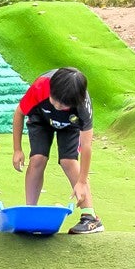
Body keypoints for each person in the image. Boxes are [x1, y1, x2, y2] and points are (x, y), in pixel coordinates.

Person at [14, 66, 104, 234]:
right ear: (51, 89)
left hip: (70, 124)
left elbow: (86, 146)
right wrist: (17, 149)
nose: (56, 105)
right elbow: (19, 113)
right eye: (54, 100)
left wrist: (82, 181)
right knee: (37, 159)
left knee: (68, 161)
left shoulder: (82, 106)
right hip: (40, 118)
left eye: (62, 105)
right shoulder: (41, 87)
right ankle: (30, 212)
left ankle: (90, 218)